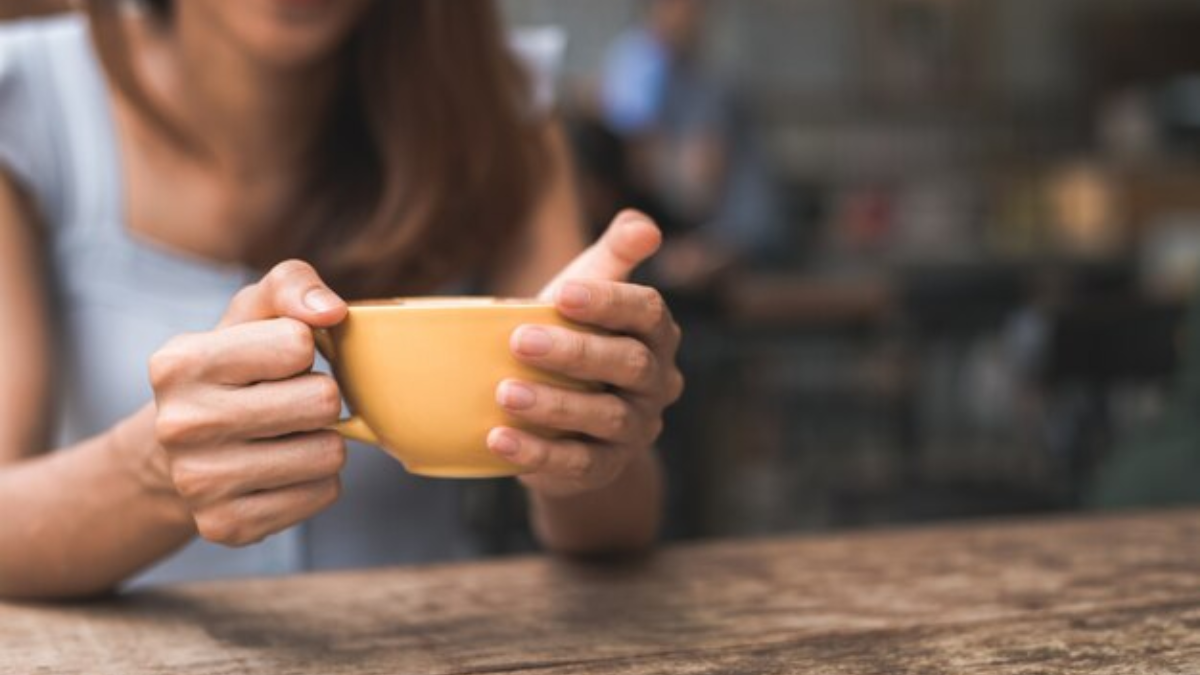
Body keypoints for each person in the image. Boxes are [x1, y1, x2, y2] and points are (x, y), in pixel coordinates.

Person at [0, 0, 683, 599]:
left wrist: (588, 427)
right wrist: (149, 474)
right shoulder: (25, 98)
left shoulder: (494, 101)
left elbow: (618, 528)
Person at [600, 0, 787, 292]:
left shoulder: (711, 85)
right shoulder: (650, 68)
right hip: (709, 236)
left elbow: (699, 185)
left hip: (745, 241)